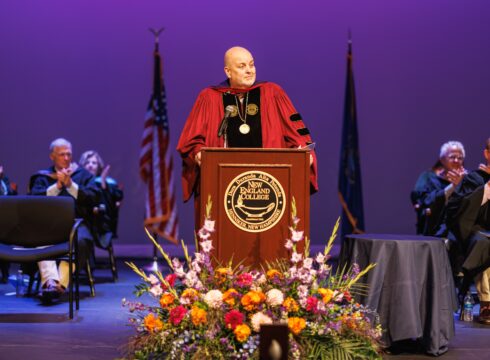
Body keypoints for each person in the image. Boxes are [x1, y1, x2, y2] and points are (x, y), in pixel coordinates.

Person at [177, 46, 318, 224]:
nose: (249, 70)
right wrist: (197, 153)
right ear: (228, 71)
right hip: (221, 186)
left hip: (271, 184)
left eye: (252, 65)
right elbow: (191, 140)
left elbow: (298, 132)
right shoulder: (209, 97)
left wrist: (304, 152)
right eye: (242, 66)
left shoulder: (273, 93)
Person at [29, 138, 99, 301]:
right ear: (52, 157)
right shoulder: (43, 177)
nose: (66, 158)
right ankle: (51, 281)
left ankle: (57, 285)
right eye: (62, 154)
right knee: (40, 237)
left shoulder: (83, 176)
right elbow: (33, 200)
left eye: (69, 154)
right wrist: (58, 186)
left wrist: (70, 185)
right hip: (48, 224)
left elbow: (93, 198)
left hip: (77, 223)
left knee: (81, 241)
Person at [447, 137, 490, 324]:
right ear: (487, 154)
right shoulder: (474, 178)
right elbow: (455, 210)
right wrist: (487, 190)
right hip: (477, 231)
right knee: (484, 245)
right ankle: (487, 304)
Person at [411, 141, 467, 236]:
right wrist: (453, 186)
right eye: (452, 157)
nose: (456, 161)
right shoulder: (429, 178)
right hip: (434, 227)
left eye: (460, 158)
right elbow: (426, 200)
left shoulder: (467, 179)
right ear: (442, 159)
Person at [79, 150, 123, 249]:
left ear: (99, 166)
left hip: (101, 224)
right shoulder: (78, 182)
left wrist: (103, 183)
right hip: (83, 220)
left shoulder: (108, 182)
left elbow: (116, 199)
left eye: (94, 163)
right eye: (87, 162)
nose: (90, 165)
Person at [0, 165, 17, 283]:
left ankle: (5, 274)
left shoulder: (5, 180)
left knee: (5, 245)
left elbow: (12, 193)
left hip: (5, 219)